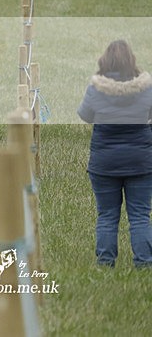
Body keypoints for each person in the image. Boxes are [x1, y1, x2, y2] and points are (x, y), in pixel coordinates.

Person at [77, 40, 152, 268]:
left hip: (104, 163)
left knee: (107, 216)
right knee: (140, 216)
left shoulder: (95, 88)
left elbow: (85, 115)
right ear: (132, 61)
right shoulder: (146, 87)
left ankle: (105, 263)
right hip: (141, 162)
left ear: (104, 61)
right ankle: (144, 263)